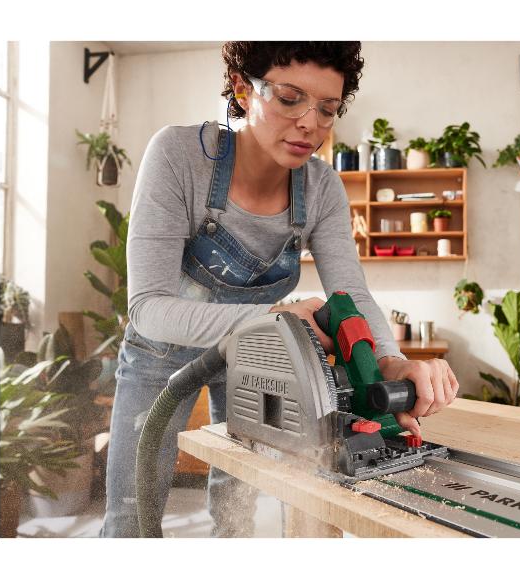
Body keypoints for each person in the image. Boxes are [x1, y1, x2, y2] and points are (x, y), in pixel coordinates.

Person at [100, 41, 460, 538]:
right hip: (161, 355)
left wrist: (390, 363)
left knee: (237, 510)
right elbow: (148, 309)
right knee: (130, 514)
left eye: (328, 109)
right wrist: (281, 319)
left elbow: (350, 294)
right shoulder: (179, 155)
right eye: (290, 99)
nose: (310, 123)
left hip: (254, 358)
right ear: (243, 89)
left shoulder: (322, 188)